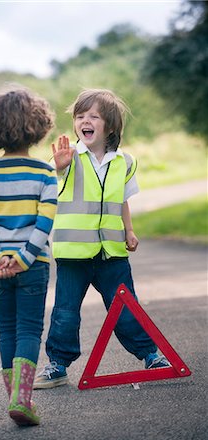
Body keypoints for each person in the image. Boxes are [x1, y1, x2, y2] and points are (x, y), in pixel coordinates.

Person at [34, 88, 170, 389]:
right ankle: (57, 364)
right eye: (80, 116)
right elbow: (48, 183)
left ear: (109, 124)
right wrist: (57, 166)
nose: (85, 121)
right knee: (65, 312)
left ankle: (150, 355)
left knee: (126, 306)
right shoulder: (67, 159)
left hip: (112, 252)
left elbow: (122, 200)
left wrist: (129, 230)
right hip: (73, 254)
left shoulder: (125, 162)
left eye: (93, 116)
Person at [0, 85, 57, 425]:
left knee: (6, 331)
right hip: (33, 265)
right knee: (28, 332)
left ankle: (16, 399)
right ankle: (22, 401)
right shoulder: (44, 173)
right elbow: (45, 220)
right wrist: (23, 258)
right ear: (35, 125)